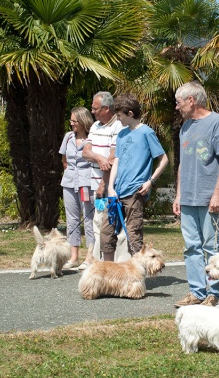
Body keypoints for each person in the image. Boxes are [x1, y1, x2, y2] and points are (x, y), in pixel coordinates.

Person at [172, 81, 219, 307]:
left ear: (192, 100)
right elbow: (182, 164)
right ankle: (197, 292)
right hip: (188, 198)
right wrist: (179, 195)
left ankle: (214, 294)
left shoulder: (217, 122)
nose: (176, 107)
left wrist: (218, 194)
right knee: (191, 247)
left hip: (209, 199)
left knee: (212, 248)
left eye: (179, 102)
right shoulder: (185, 127)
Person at [101, 94, 168, 256]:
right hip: (116, 192)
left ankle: (137, 275)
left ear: (130, 114)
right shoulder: (122, 134)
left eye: (119, 116)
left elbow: (164, 159)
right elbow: (116, 161)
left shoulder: (147, 132)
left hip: (135, 192)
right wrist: (110, 187)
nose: (118, 120)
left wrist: (150, 181)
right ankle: (109, 276)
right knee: (106, 233)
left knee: (134, 235)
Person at [83, 91, 128, 261]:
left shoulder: (119, 126)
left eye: (95, 108)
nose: (92, 111)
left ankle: (119, 265)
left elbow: (113, 158)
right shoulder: (95, 126)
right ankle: (98, 263)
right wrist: (99, 157)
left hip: (110, 189)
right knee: (97, 223)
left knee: (114, 225)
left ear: (106, 108)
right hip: (97, 188)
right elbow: (86, 152)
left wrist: (104, 184)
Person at [60, 107, 95, 270]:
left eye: (75, 121)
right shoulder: (68, 137)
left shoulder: (92, 136)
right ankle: (73, 255)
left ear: (83, 121)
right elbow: (64, 159)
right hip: (69, 182)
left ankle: (90, 255)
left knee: (88, 219)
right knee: (71, 219)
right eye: (71, 121)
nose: (72, 124)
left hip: (86, 183)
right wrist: (68, 172)